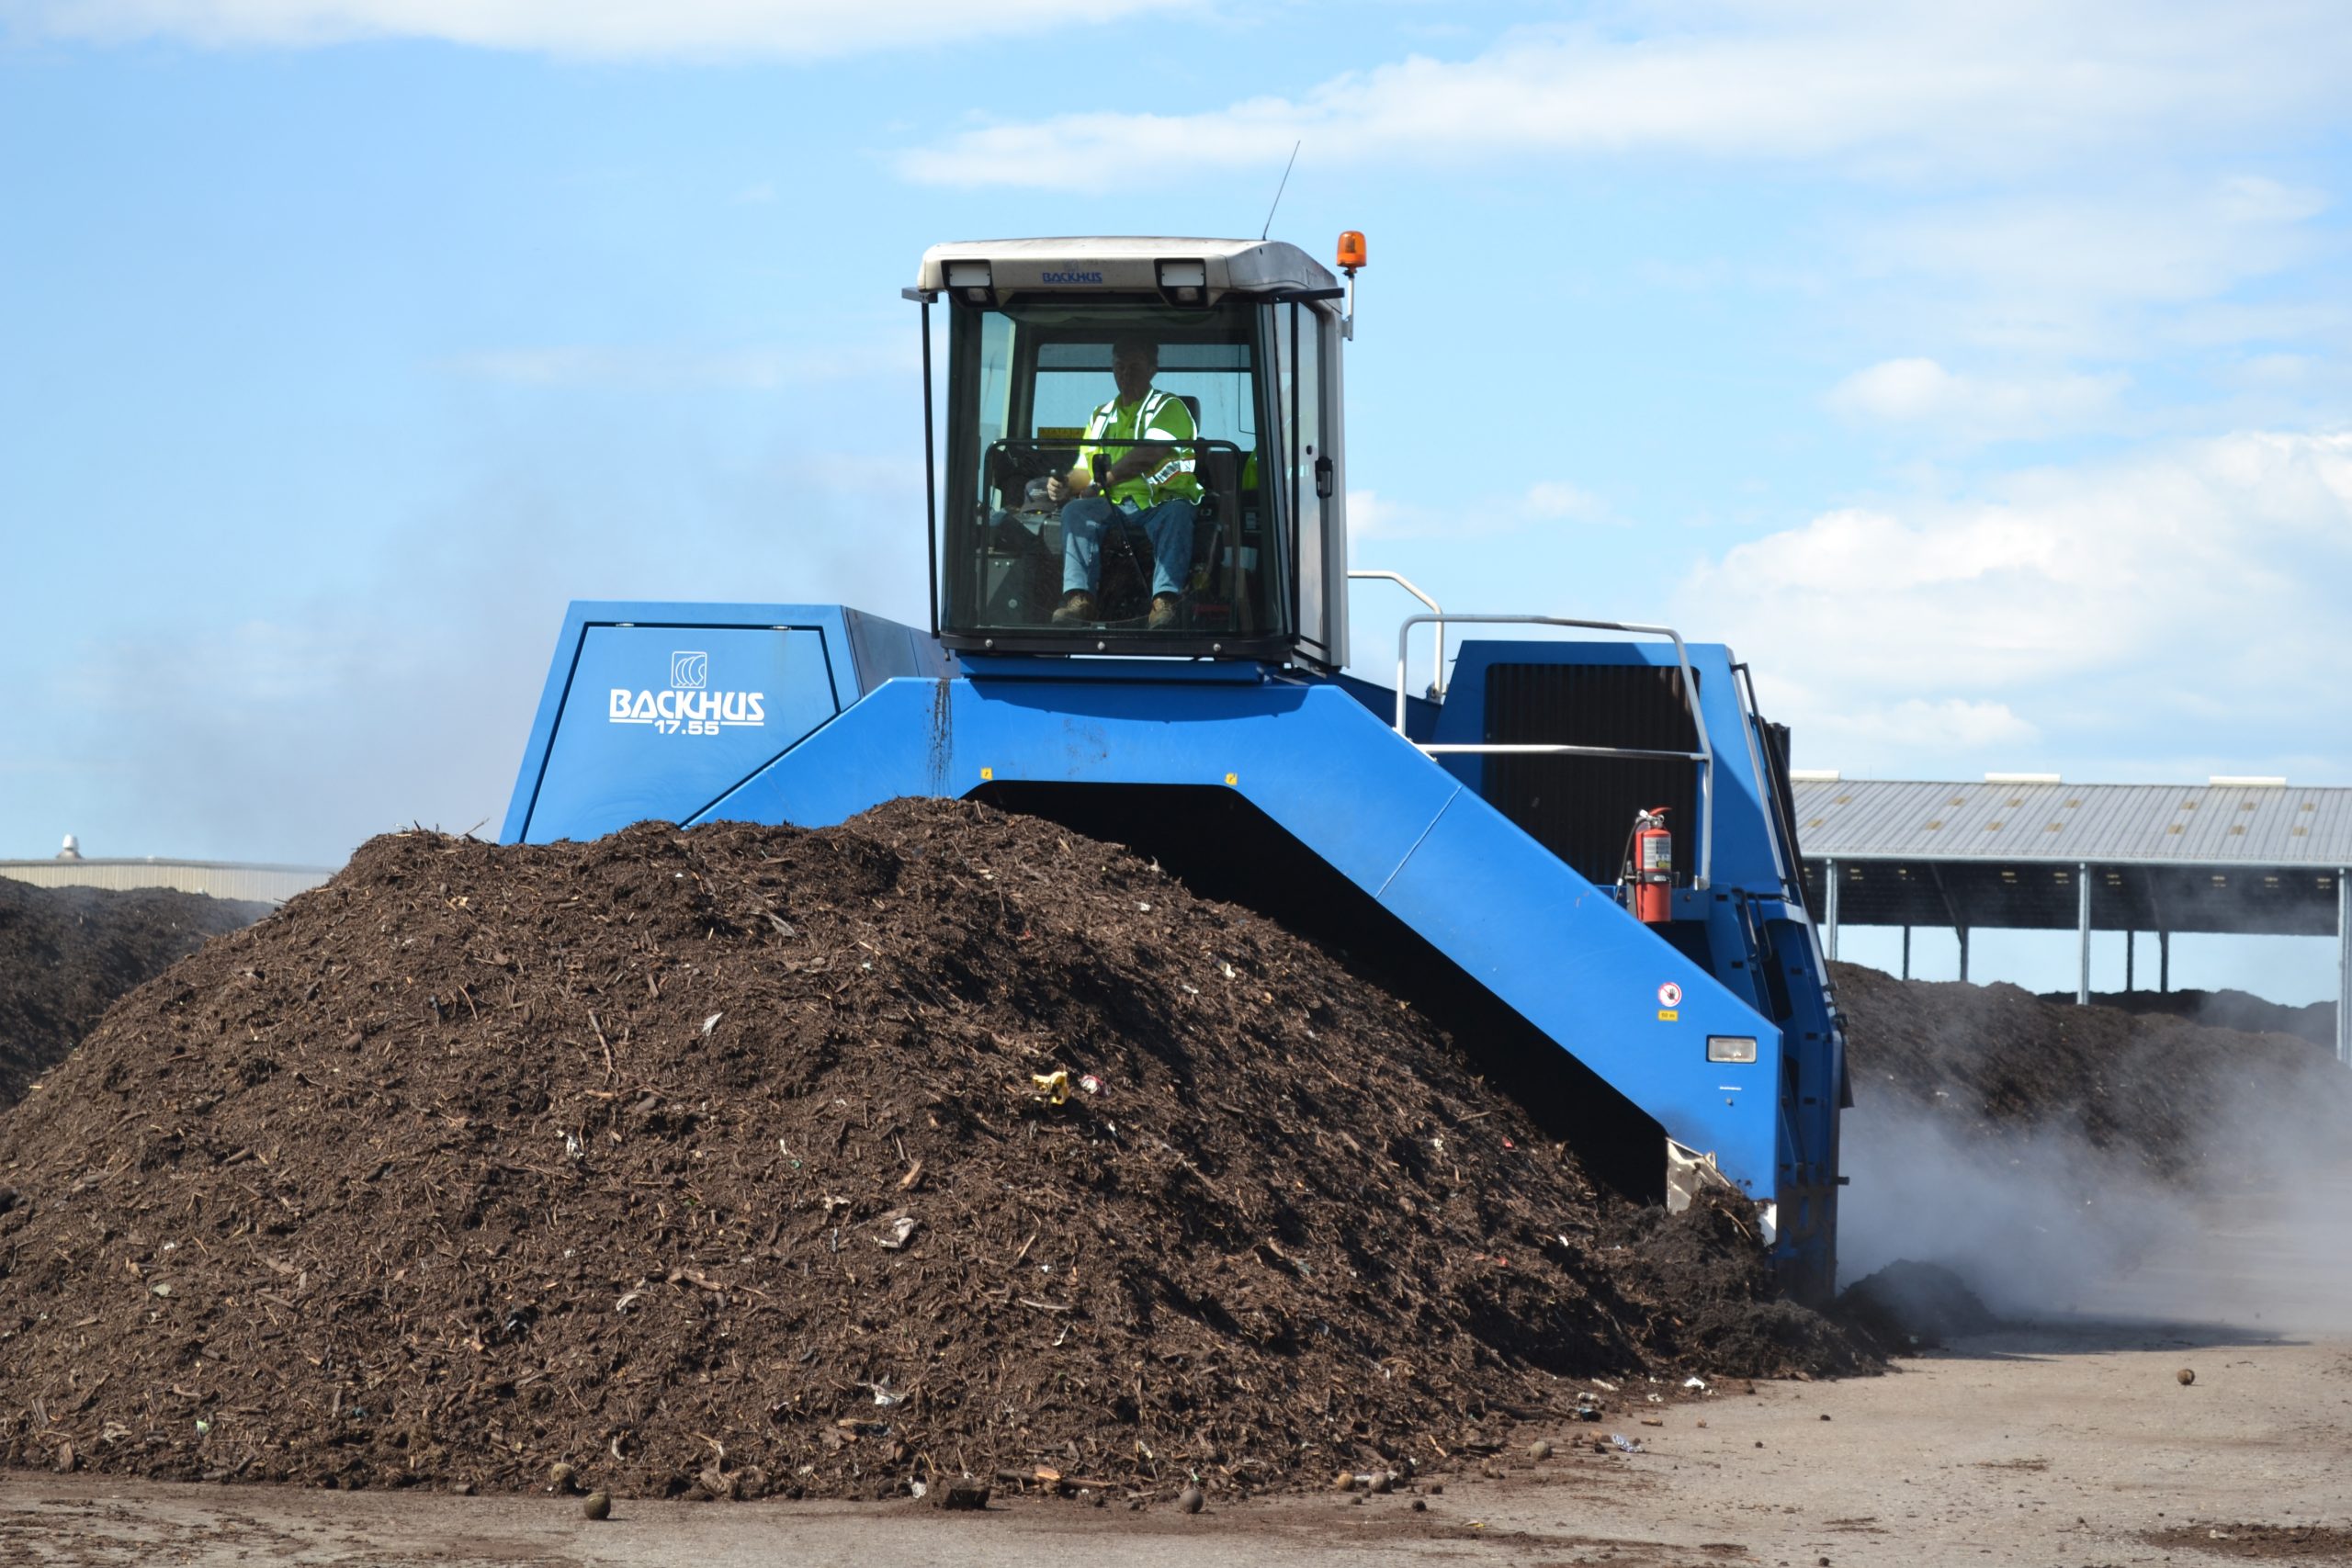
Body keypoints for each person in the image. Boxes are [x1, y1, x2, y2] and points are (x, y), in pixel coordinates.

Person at [1048, 335, 1202, 629]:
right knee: (1075, 511)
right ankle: (1080, 600)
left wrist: (1102, 481)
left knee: (1178, 513)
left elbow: (1149, 453)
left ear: (1153, 370)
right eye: (1119, 367)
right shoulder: (1101, 415)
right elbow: (1084, 469)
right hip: (1112, 504)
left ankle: (1164, 602)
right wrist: (1067, 484)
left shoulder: (1169, 408)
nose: (1125, 374)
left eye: (1135, 367)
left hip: (1160, 500)